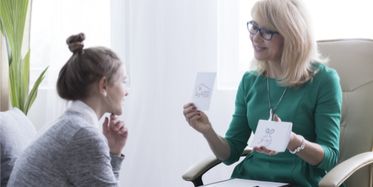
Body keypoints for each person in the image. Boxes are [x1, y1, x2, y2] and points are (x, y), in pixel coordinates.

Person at [183, 0, 342, 186]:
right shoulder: (250, 81)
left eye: (266, 32)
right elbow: (230, 153)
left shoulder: (323, 80)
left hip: (300, 180)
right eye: (254, 27)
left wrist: (291, 140)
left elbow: (330, 157)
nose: (256, 38)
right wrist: (207, 131)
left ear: (290, 36)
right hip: (252, 179)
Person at [7, 33, 129, 187]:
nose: (126, 91)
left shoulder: (68, 125)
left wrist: (114, 153)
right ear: (103, 85)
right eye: (123, 81)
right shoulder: (84, 135)